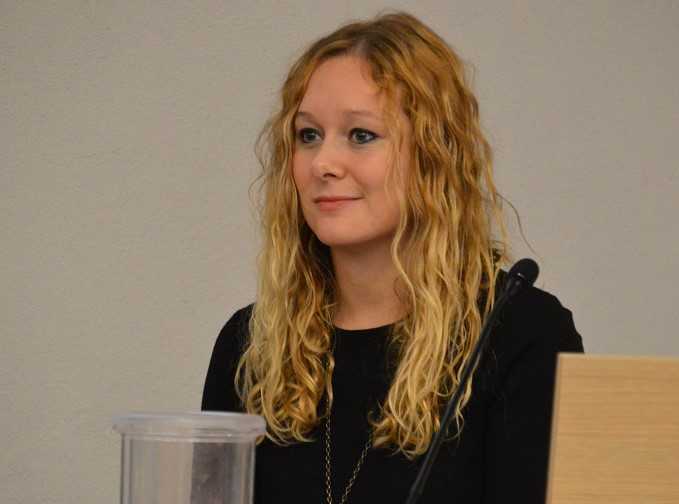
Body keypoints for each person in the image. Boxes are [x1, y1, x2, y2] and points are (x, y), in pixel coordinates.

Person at [202, 11, 583, 504]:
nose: (323, 163)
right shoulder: (250, 345)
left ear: (433, 155)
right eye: (308, 135)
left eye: (361, 135)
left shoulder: (521, 335)